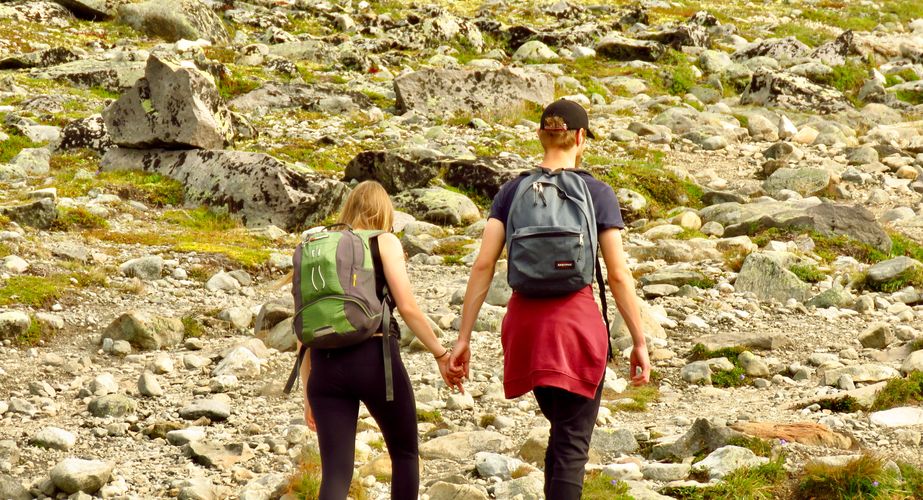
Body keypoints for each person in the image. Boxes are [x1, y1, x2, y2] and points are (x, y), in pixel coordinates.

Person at [447, 99, 651, 499]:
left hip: (524, 332)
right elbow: (618, 276)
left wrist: (463, 337)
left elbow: (483, 266)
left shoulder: (512, 191)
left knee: (561, 438)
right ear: (580, 138)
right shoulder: (596, 192)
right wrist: (640, 341)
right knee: (572, 446)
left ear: (541, 135)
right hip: (576, 332)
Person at [295, 181, 463, 499]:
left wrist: (308, 394)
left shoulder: (317, 248)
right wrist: (441, 354)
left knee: (335, 473)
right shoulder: (383, 241)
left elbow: (303, 331)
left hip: (324, 369)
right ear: (385, 212)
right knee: (404, 456)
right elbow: (409, 308)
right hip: (375, 361)